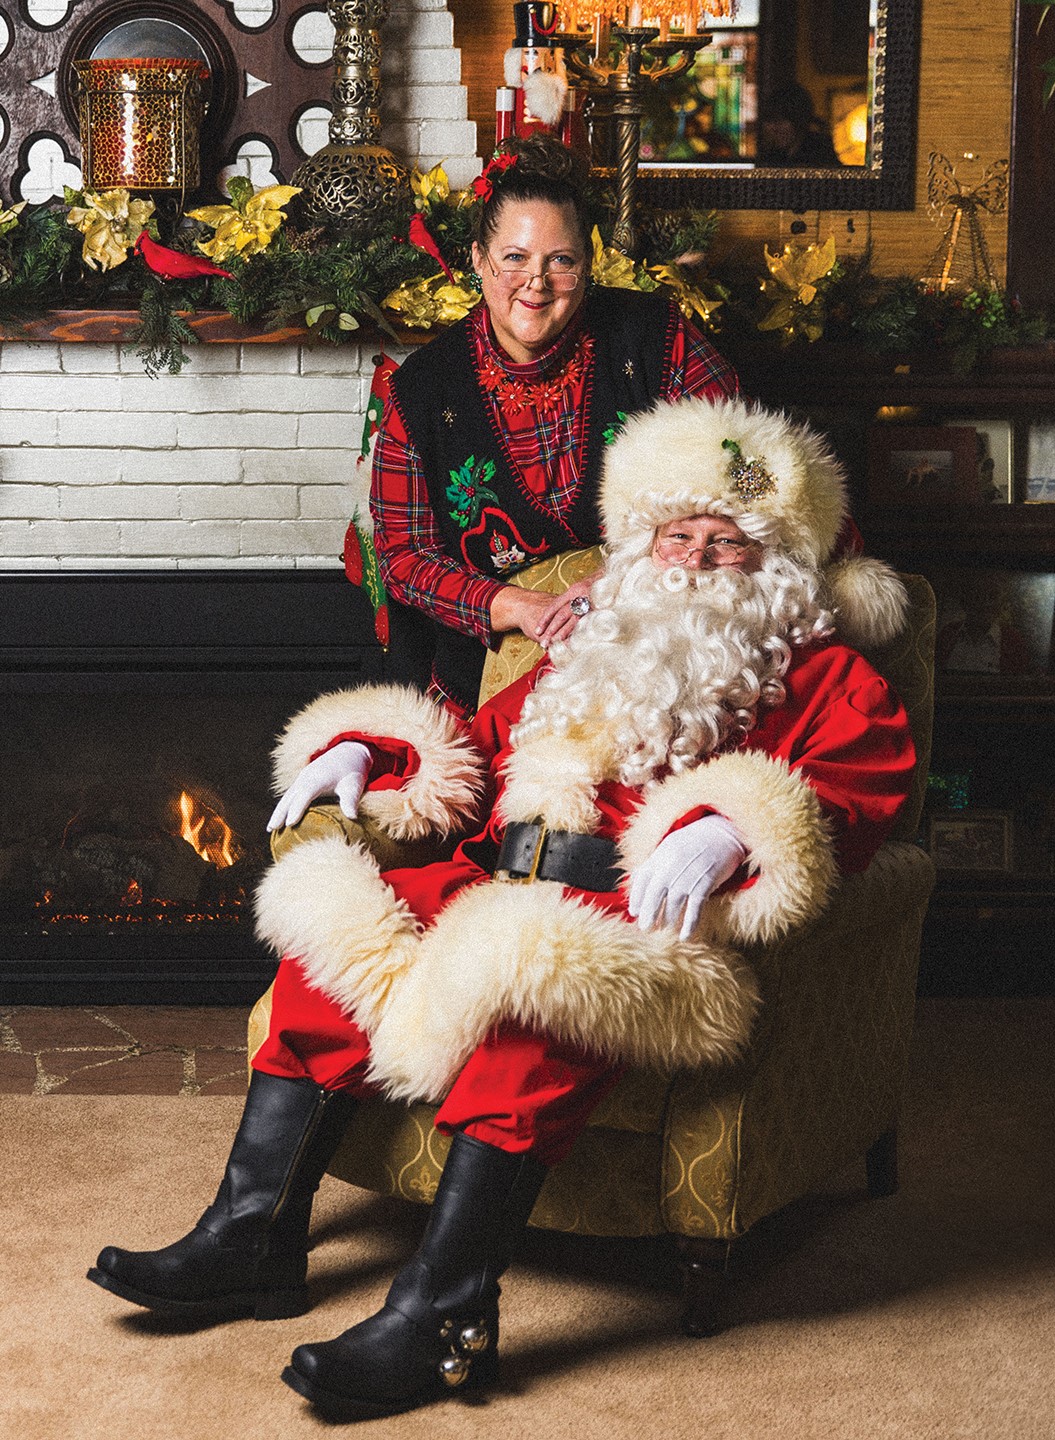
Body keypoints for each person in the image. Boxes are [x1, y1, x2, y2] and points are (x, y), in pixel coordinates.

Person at [88, 396, 915, 1420]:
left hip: (634, 926)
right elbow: (467, 748)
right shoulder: (590, 655)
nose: (696, 559)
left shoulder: (827, 677)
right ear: (642, 546)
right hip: (494, 876)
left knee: (540, 990)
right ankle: (253, 1234)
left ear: (778, 562)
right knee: (336, 931)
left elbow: (855, 795)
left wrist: (734, 825)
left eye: (729, 542)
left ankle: (445, 1313)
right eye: (677, 535)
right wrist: (367, 750)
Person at [369, 131, 738, 720]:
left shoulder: (657, 338)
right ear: (478, 261)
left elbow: (742, 480)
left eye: (560, 262)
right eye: (514, 258)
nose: (535, 283)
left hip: (658, 652)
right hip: (492, 675)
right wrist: (513, 604)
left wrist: (619, 582)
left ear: (587, 267)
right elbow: (404, 555)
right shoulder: (419, 390)